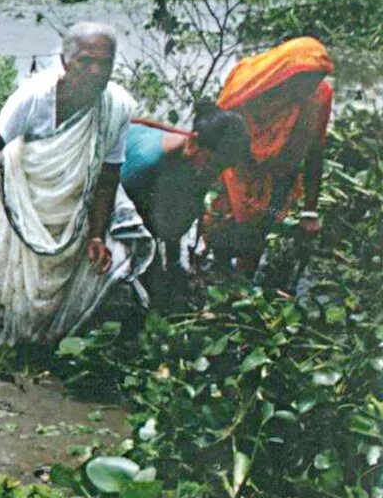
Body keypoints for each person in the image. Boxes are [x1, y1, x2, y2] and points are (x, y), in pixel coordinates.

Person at [0, 23, 154, 350]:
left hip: (71, 206)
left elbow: (108, 176)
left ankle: (37, 344)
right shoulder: (35, 96)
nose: (95, 71)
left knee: (63, 282)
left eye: (105, 63)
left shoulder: (115, 107)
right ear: (65, 61)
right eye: (86, 61)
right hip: (18, 196)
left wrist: (96, 235)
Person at [201, 38, 335, 275]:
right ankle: (217, 273)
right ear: (286, 74)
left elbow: (315, 152)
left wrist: (310, 212)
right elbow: (218, 129)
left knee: (259, 232)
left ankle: (243, 285)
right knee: (222, 225)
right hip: (236, 170)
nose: (308, 91)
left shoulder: (318, 97)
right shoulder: (249, 82)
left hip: (278, 176)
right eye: (304, 83)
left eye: (315, 83)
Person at [121, 103, 251, 308]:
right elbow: (110, 203)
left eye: (221, 168)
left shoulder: (199, 166)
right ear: (193, 142)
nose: (214, 174)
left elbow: (178, 218)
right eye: (213, 164)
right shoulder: (147, 161)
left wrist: (173, 264)